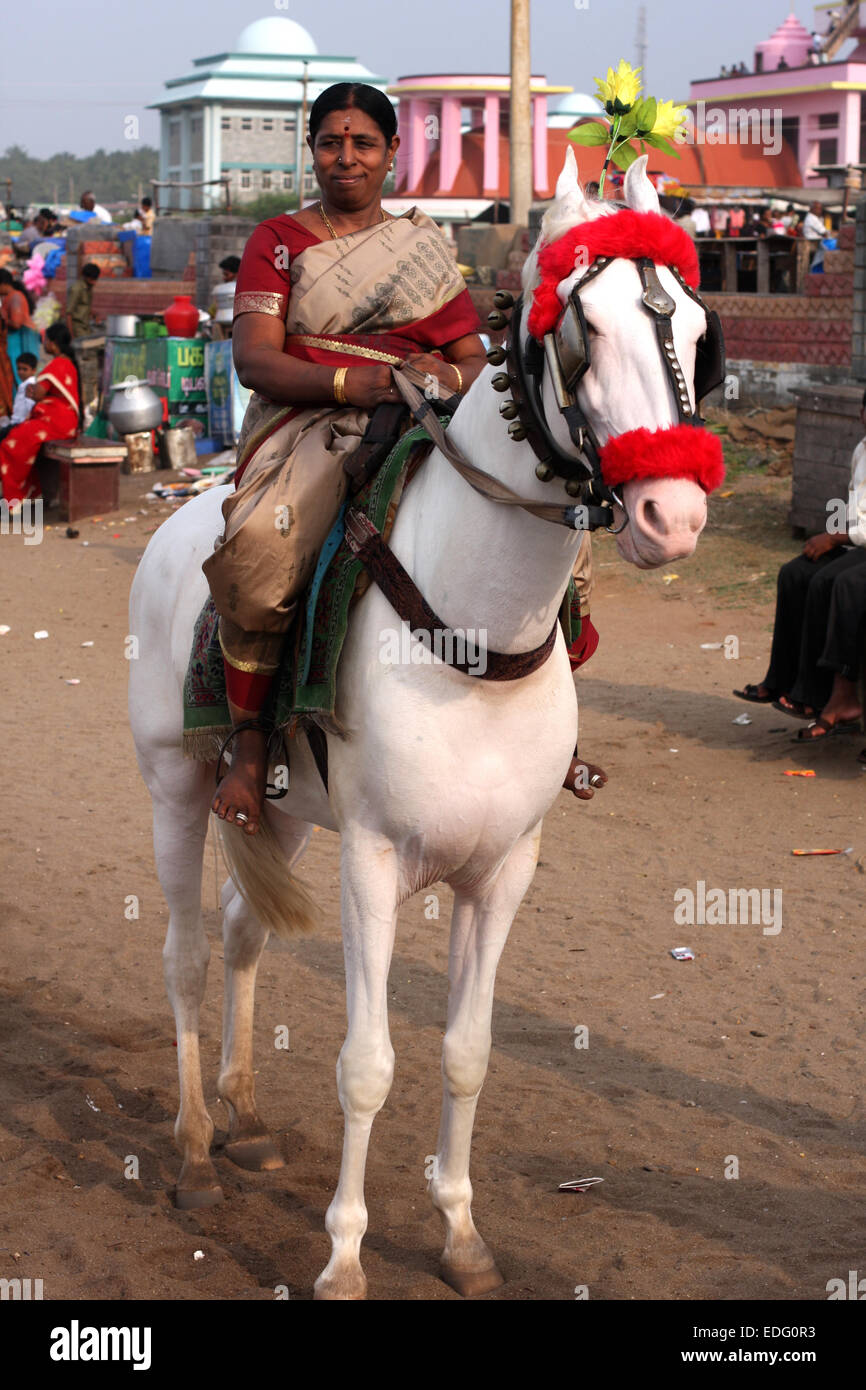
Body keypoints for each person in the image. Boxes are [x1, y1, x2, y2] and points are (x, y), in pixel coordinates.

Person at [204, 81, 488, 834]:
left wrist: (437, 378)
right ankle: (250, 741)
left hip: (418, 417)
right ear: (313, 150)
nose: (347, 157)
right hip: (308, 424)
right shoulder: (278, 240)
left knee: (541, 529)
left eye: (364, 142)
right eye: (331, 141)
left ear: (392, 153)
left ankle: (546, 730)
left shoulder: (422, 249)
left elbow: (472, 358)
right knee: (264, 549)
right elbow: (255, 362)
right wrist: (349, 383)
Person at [734, 387, 866, 725]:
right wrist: (835, 537)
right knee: (795, 573)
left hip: (857, 543)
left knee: (831, 582)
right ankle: (781, 681)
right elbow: (855, 509)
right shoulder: (861, 449)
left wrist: (836, 537)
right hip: (856, 542)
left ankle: (824, 693)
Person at [0, 322, 81, 507]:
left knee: (11, 444)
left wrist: (33, 391)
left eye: (45, 341)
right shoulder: (68, 363)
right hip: (61, 421)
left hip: (55, 423)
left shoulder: (58, 364)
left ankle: (17, 496)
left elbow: (38, 393)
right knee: (15, 438)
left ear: (52, 343)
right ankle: (28, 491)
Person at [0, 268, 40, 404]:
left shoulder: (15, 297)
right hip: (14, 341)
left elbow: (16, 323)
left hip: (19, 341)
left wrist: (3, 319)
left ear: (3, 284)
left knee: (20, 375)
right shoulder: (10, 297)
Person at [0, 352, 37, 440]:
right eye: (19, 369)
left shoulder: (30, 385)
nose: (21, 372)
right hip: (16, 423)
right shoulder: (24, 384)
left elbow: (30, 408)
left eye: (25, 369)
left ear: (34, 370)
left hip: (20, 424)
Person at [66, 263, 101, 340]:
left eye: (95, 279)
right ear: (86, 277)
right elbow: (69, 313)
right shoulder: (77, 289)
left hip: (86, 326)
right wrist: (71, 336)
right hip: (77, 327)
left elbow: (84, 306)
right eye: (92, 279)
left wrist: (94, 314)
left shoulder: (89, 287)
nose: (94, 282)